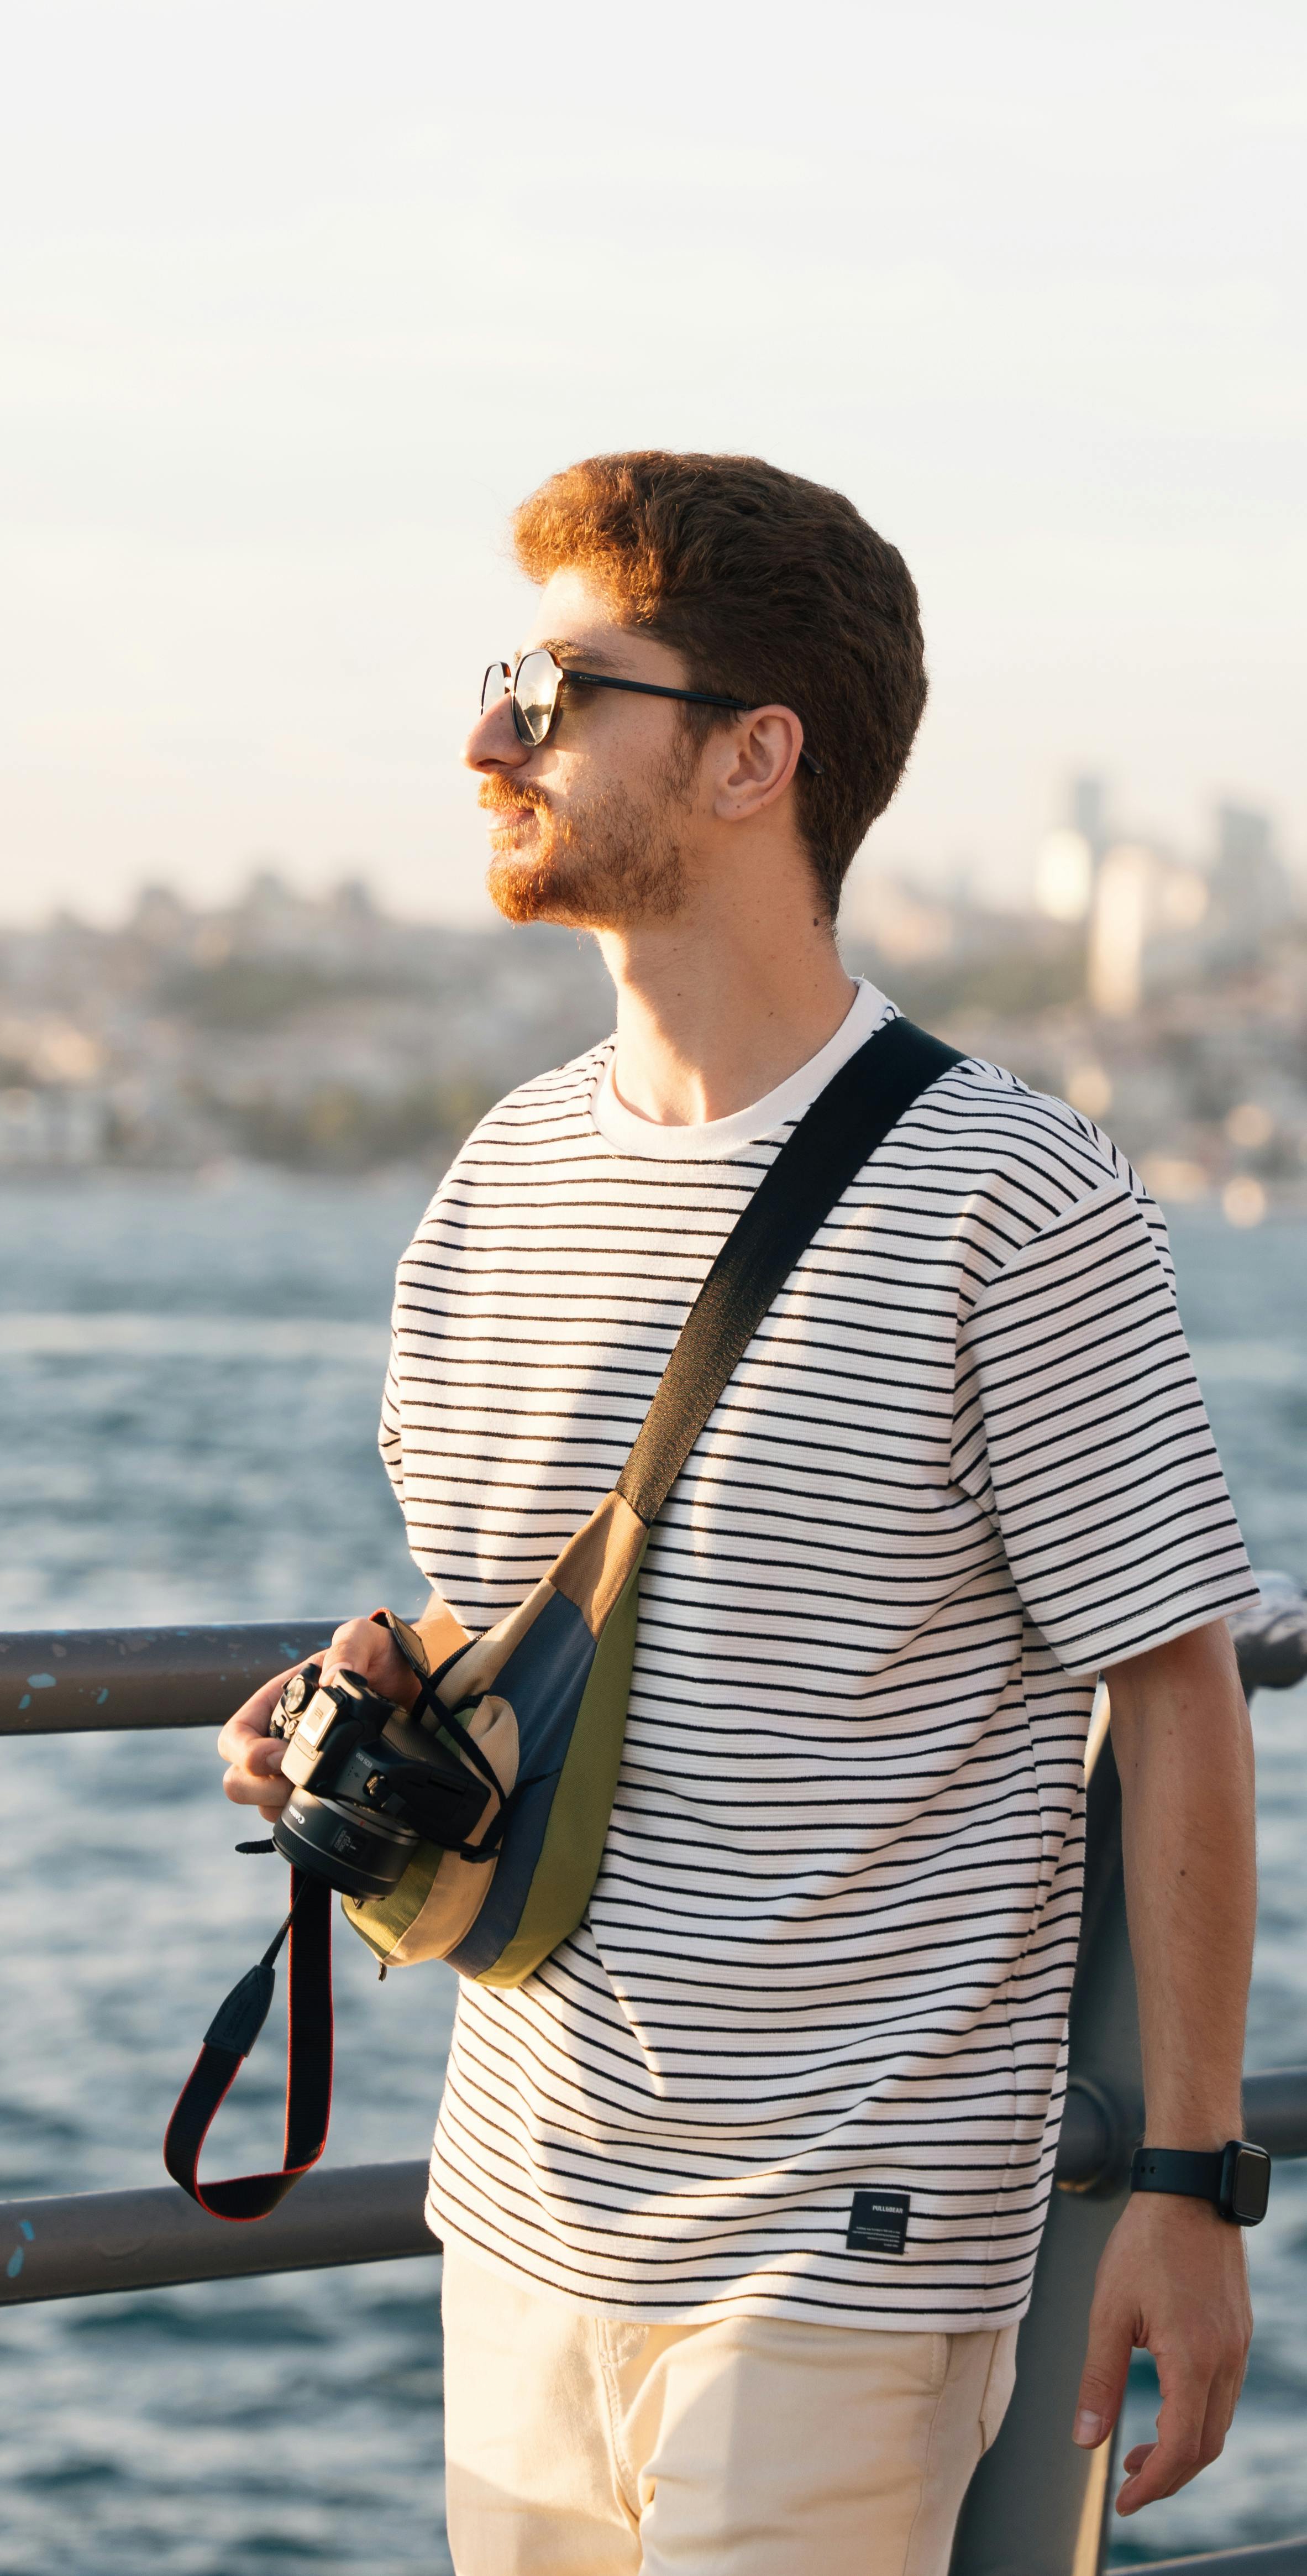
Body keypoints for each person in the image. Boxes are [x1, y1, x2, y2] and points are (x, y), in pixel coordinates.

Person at [218, 452, 1258, 2576]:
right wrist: (356, 1710)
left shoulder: (1012, 1201)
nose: (487, 736)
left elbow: (1178, 1691)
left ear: (751, 758)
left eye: (555, 683)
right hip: (512, 2200)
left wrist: (1193, 2179)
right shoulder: (493, 1187)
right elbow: (532, 1637)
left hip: (845, 2249)